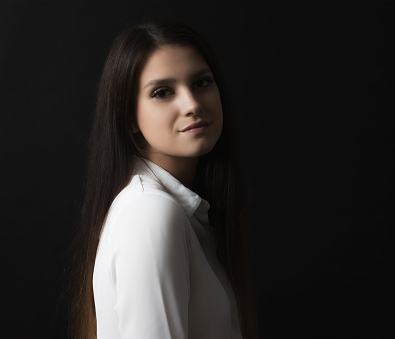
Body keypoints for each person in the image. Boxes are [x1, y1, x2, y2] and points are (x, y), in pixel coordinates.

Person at [67, 19, 258, 339]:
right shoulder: (151, 213)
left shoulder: (175, 209)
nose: (193, 105)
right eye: (162, 92)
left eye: (201, 83)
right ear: (128, 117)